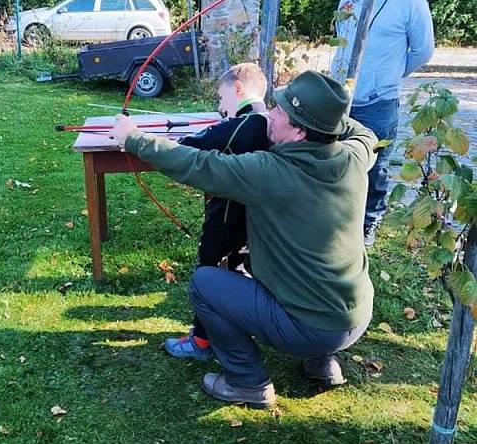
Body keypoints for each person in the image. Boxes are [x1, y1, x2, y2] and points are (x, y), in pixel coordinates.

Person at [110, 71, 377, 408]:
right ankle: (322, 361)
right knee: (292, 283)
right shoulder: (354, 157)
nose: (270, 113)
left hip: (312, 325)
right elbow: (365, 133)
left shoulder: (269, 172)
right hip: (356, 316)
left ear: (298, 130)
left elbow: (196, 163)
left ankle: (249, 382)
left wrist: (133, 137)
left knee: (205, 284)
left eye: (279, 111)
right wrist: (328, 114)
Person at [164, 62, 271, 361]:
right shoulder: (271, 122)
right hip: (261, 223)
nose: (222, 107)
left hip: (228, 221)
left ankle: (200, 342)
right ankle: (236, 329)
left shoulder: (245, 124)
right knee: (242, 274)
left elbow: (189, 146)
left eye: (223, 100)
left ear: (238, 89)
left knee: (208, 274)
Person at [331, 0, 435, 247]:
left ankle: (368, 222)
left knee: (375, 167)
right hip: (341, 98)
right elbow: (341, 37)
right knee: (334, 157)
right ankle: (336, 216)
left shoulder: (411, 1)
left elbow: (422, 50)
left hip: (379, 102)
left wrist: (388, 75)